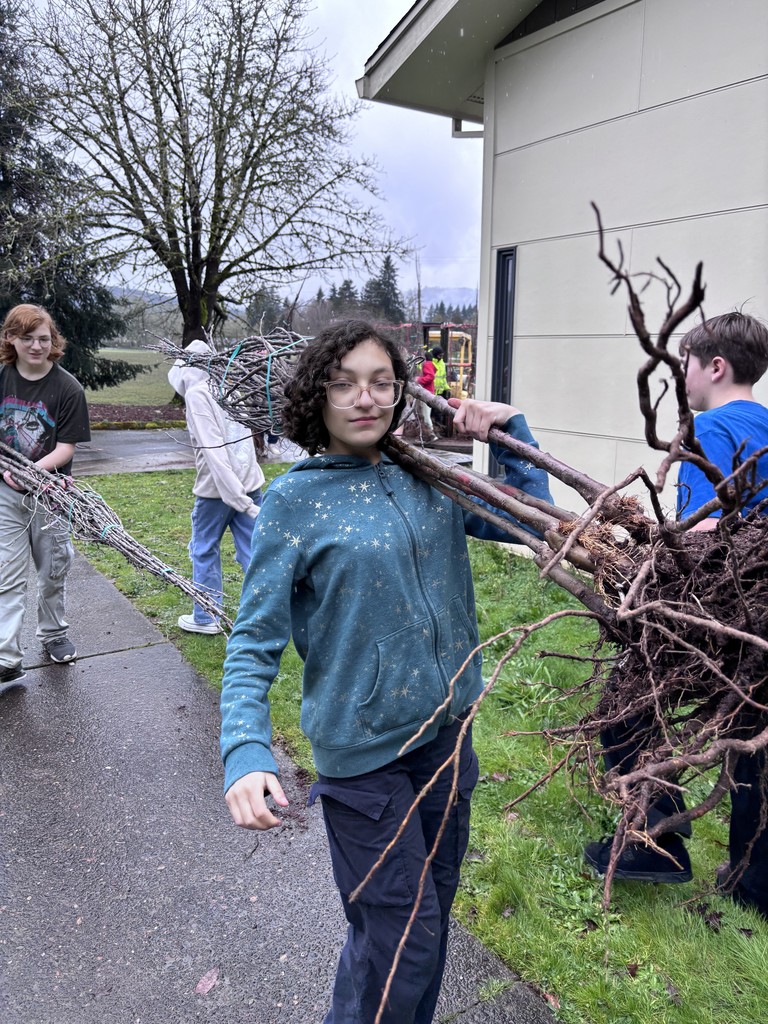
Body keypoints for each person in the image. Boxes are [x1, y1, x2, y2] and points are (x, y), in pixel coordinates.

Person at [220, 319, 552, 1024]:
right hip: (365, 763)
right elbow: (252, 642)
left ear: (402, 391)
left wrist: (512, 431)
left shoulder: (429, 477)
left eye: (380, 382)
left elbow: (536, 521)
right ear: (318, 396)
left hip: (447, 743)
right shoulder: (295, 502)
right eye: (344, 383)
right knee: (406, 942)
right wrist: (245, 751)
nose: (364, 398)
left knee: (405, 937)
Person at [584, 311, 768, 916]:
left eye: (685, 363)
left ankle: (655, 844)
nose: (682, 376)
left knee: (625, 710)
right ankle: (753, 889)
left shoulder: (708, 428)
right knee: (752, 742)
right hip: (760, 614)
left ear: (714, 367)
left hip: (713, 610)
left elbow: (701, 534)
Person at [0, 304, 90, 694]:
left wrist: (34, 473)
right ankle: (7, 660)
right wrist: (10, 474)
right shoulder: (1, 379)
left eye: (43, 338)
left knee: (54, 566)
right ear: (11, 340)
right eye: (27, 338)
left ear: (53, 341)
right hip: (6, 492)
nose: (36, 346)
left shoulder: (68, 388)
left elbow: (66, 447)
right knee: (7, 572)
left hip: (52, 493)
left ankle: (53, 633)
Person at [168, 339, 265, 634]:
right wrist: (247, 497)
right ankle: (265, 614)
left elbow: (216, 451)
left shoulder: (199, 395)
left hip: (219, 491)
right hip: (249, 484)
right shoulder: (228, 388)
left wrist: (239, 499)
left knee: (204, 548)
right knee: (252, 549)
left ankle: (207, 615)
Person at [415, 347, 438, 443]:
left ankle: (431, 435)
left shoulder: (427, 364)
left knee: (425, 414)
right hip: (429, 392)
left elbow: (430, 376)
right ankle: (428, 435)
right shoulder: (431, 364)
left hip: (426, 392)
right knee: (425, 414)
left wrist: (419, 380)